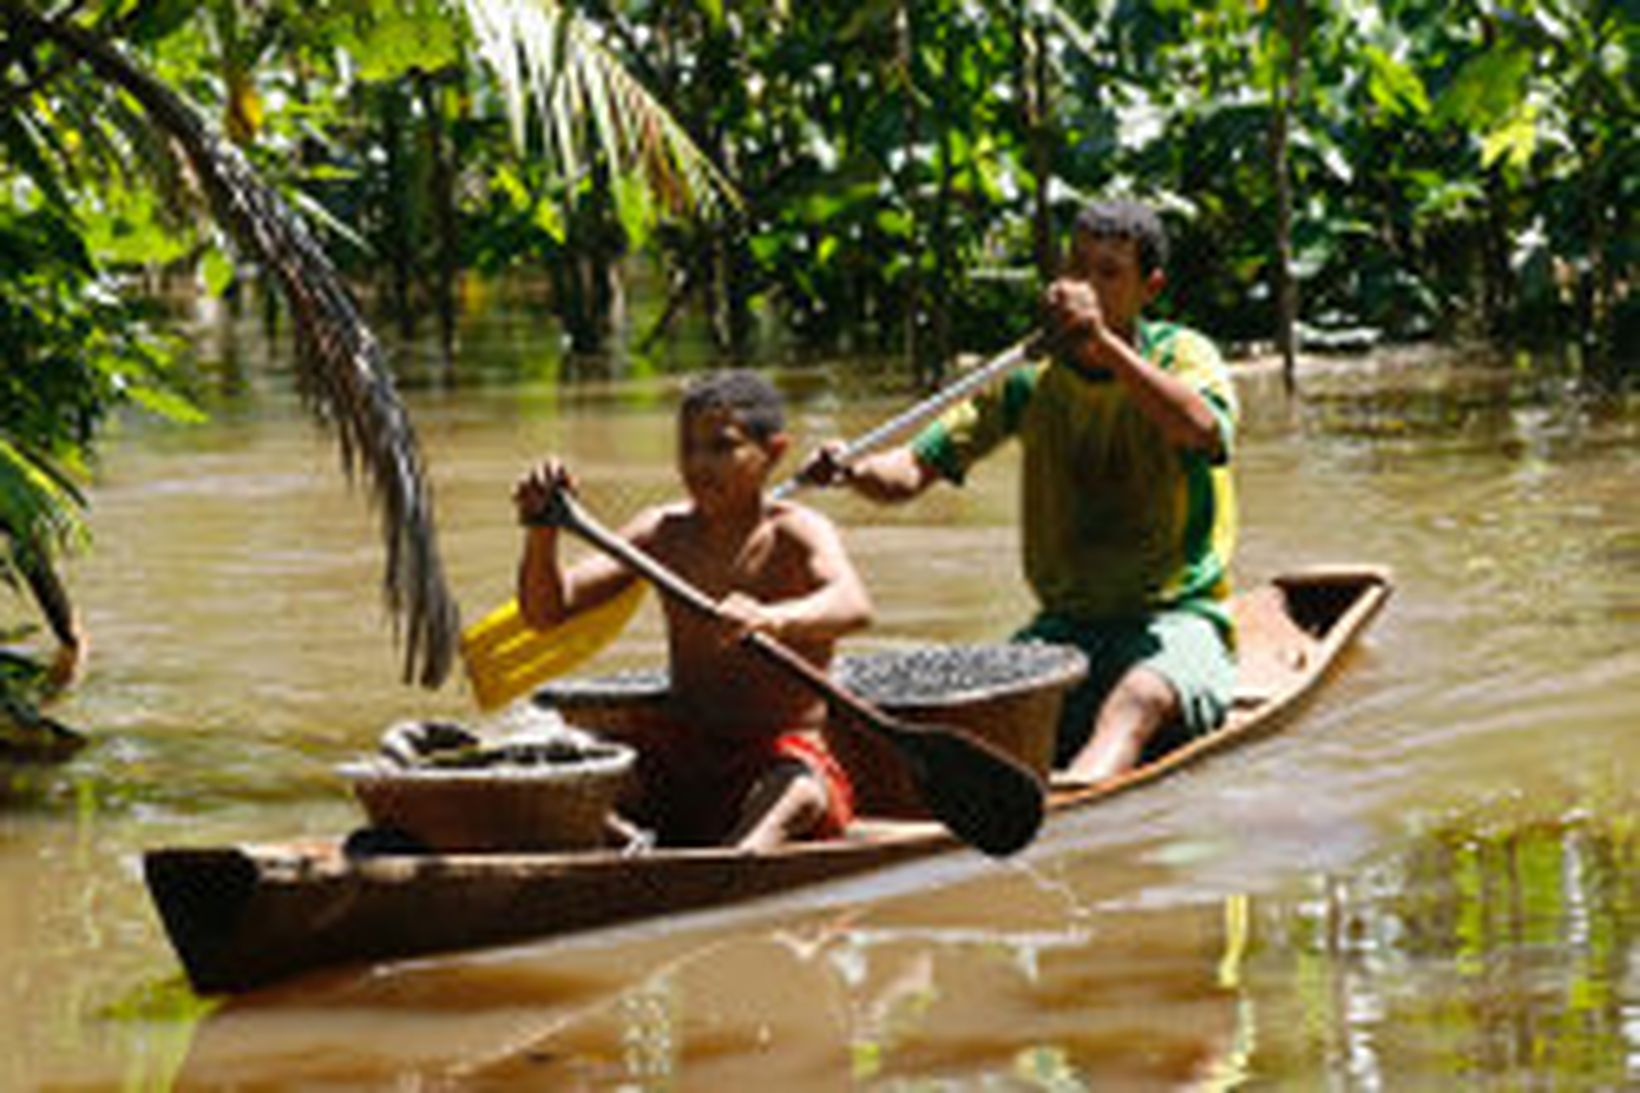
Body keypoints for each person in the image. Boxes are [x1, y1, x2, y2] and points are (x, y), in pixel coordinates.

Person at [800, 199, 1238, 785]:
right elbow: (909, 473)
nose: (1085, 286)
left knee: (1139, 697)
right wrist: (848, 469)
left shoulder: (1183, 355)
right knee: (977, 711)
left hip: (1177, 617)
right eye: (1077, 266)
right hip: (1064, 623)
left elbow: (1203, 432)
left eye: (1108, 272)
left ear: (1149, 288)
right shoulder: (1026, 378)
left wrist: (1103, 343)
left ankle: (1076, 800)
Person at [513, 370, 874, 852]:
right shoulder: (661, 532)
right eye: (688, 448)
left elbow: (853, 603)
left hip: (780, 757)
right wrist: (542, 531)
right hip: (686, 752)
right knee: (575, 770)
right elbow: (545, 611)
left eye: (721, 447)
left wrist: (773, 619)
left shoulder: (796, 531)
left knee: (797, 790)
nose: (699, 464)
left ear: (774, 452)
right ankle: (634, 844)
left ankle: (737, 860)